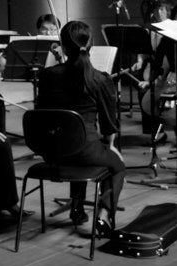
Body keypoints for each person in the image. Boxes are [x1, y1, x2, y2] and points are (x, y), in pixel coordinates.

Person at [35, 21, 125, 235]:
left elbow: (41, 113)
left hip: (53, 152)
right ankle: (103, 216)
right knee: (117, 166)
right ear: (91, 45)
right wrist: (110, 146)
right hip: (85, 152)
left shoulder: (48, 76)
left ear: (63, 47)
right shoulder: (99, 79)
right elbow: (109, 123)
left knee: (73, 138)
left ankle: (77, 207)